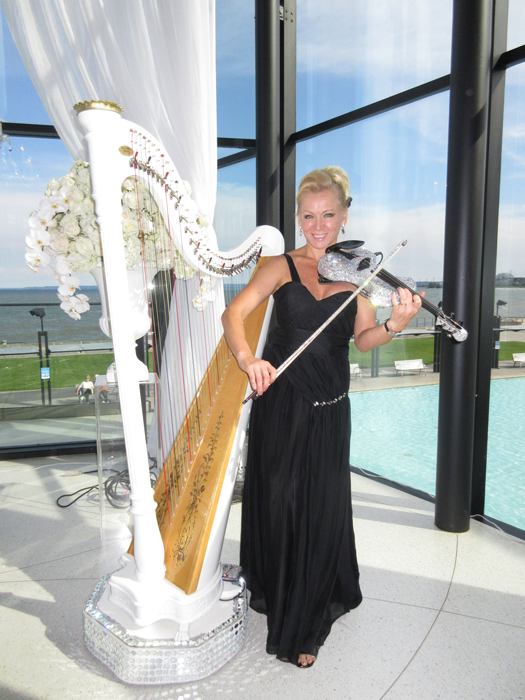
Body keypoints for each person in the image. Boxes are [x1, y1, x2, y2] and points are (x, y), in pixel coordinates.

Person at [222, 166, 422, 668]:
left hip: (329, 408)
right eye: (309, 216)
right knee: (281, 501)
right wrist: (248, 359)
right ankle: (280, 589)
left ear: (344, 216)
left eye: (328, 215)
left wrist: (395, 325)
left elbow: (364, 340)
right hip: (280, 403)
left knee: (319, 507)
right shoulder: (279, 266)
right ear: (298, 217)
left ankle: (308, 616)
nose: (318, 226)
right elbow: (233, 314)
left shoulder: (358, 274)